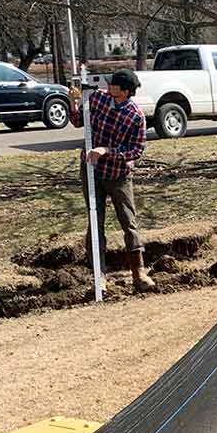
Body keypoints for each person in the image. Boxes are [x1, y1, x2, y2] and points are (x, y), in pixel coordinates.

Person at [68, 69, 155, 290]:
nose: (108, 86)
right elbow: (79, 122)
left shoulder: (135, 116)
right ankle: (99, 277)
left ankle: (139, 273)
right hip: (92, 172)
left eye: (113, 84)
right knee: (95, 223)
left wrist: (106, 150)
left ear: (124, 91)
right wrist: (74, 103)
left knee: (129, 223)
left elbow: (135, 151)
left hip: (118, 176)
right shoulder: (98, 99)